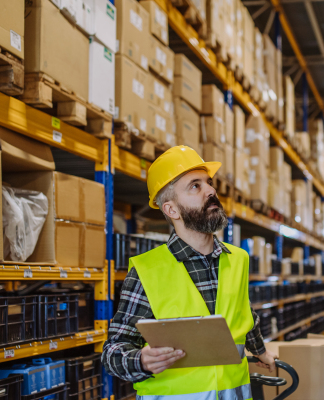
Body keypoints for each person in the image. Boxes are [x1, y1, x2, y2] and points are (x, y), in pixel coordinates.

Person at [102, 145, 278, 399]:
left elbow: (243, 316)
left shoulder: (237, 259)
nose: (211, 191)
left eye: (208, 182)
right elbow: (113, 352)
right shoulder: (148, 271)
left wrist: (261, 351)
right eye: (195, 186)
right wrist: (140, 360)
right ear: (171, 210)